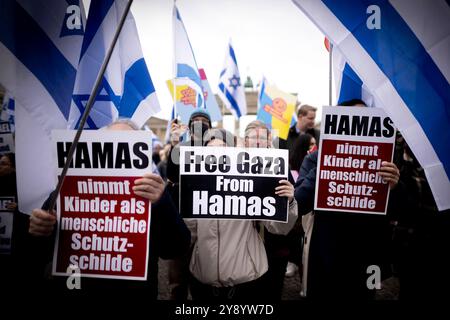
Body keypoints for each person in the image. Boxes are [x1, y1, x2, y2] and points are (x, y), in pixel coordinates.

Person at [27, 119, 191, 297]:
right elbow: (38, 255)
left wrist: (162, 202)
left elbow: (176, 248)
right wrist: (38, 232)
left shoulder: (152, 192)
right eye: (111, 142)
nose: (118, 150)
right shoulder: (66, 191)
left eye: (126, 145)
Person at [294, 100, 402, 299]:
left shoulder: (386, 160)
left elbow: (399, 213)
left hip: (367, 253)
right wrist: (327, 167)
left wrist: (394, 188)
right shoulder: (314, 158)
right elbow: (298, 204)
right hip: (325, 251)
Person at [186, 127, 298, 301]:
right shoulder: (195, 186)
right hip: (203, 280)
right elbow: (188, 234)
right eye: (209, 151)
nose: (216, 155)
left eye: (222, 149)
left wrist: (288, 202)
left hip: (247, 280)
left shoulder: (250, 182)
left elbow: (278, 228)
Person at [165, 109, 212, 300]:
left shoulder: (216, 148)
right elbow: (171, 175)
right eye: (196, 120)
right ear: (190, 124)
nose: (200, 123)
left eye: (204, 121)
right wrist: (175, 145)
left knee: (205, 275)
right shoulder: (181, 148)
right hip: (183, 215)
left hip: (209, 217)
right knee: (178, 275)